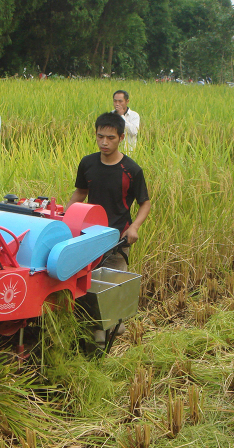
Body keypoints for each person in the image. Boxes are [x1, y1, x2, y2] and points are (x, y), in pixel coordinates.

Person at [66, 112, 151, 347]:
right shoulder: (88, 163)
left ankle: (104, 335)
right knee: (89, 284)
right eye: (100, 137)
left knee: (111, 285)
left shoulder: (131, 170)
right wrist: (66, 217)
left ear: (121, 137)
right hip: (90, 234)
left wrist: (134, 227)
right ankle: (102, 328)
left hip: (117, 237)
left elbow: (145, 203)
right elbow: (80, 194)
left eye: (110, 138)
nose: (104, 142)